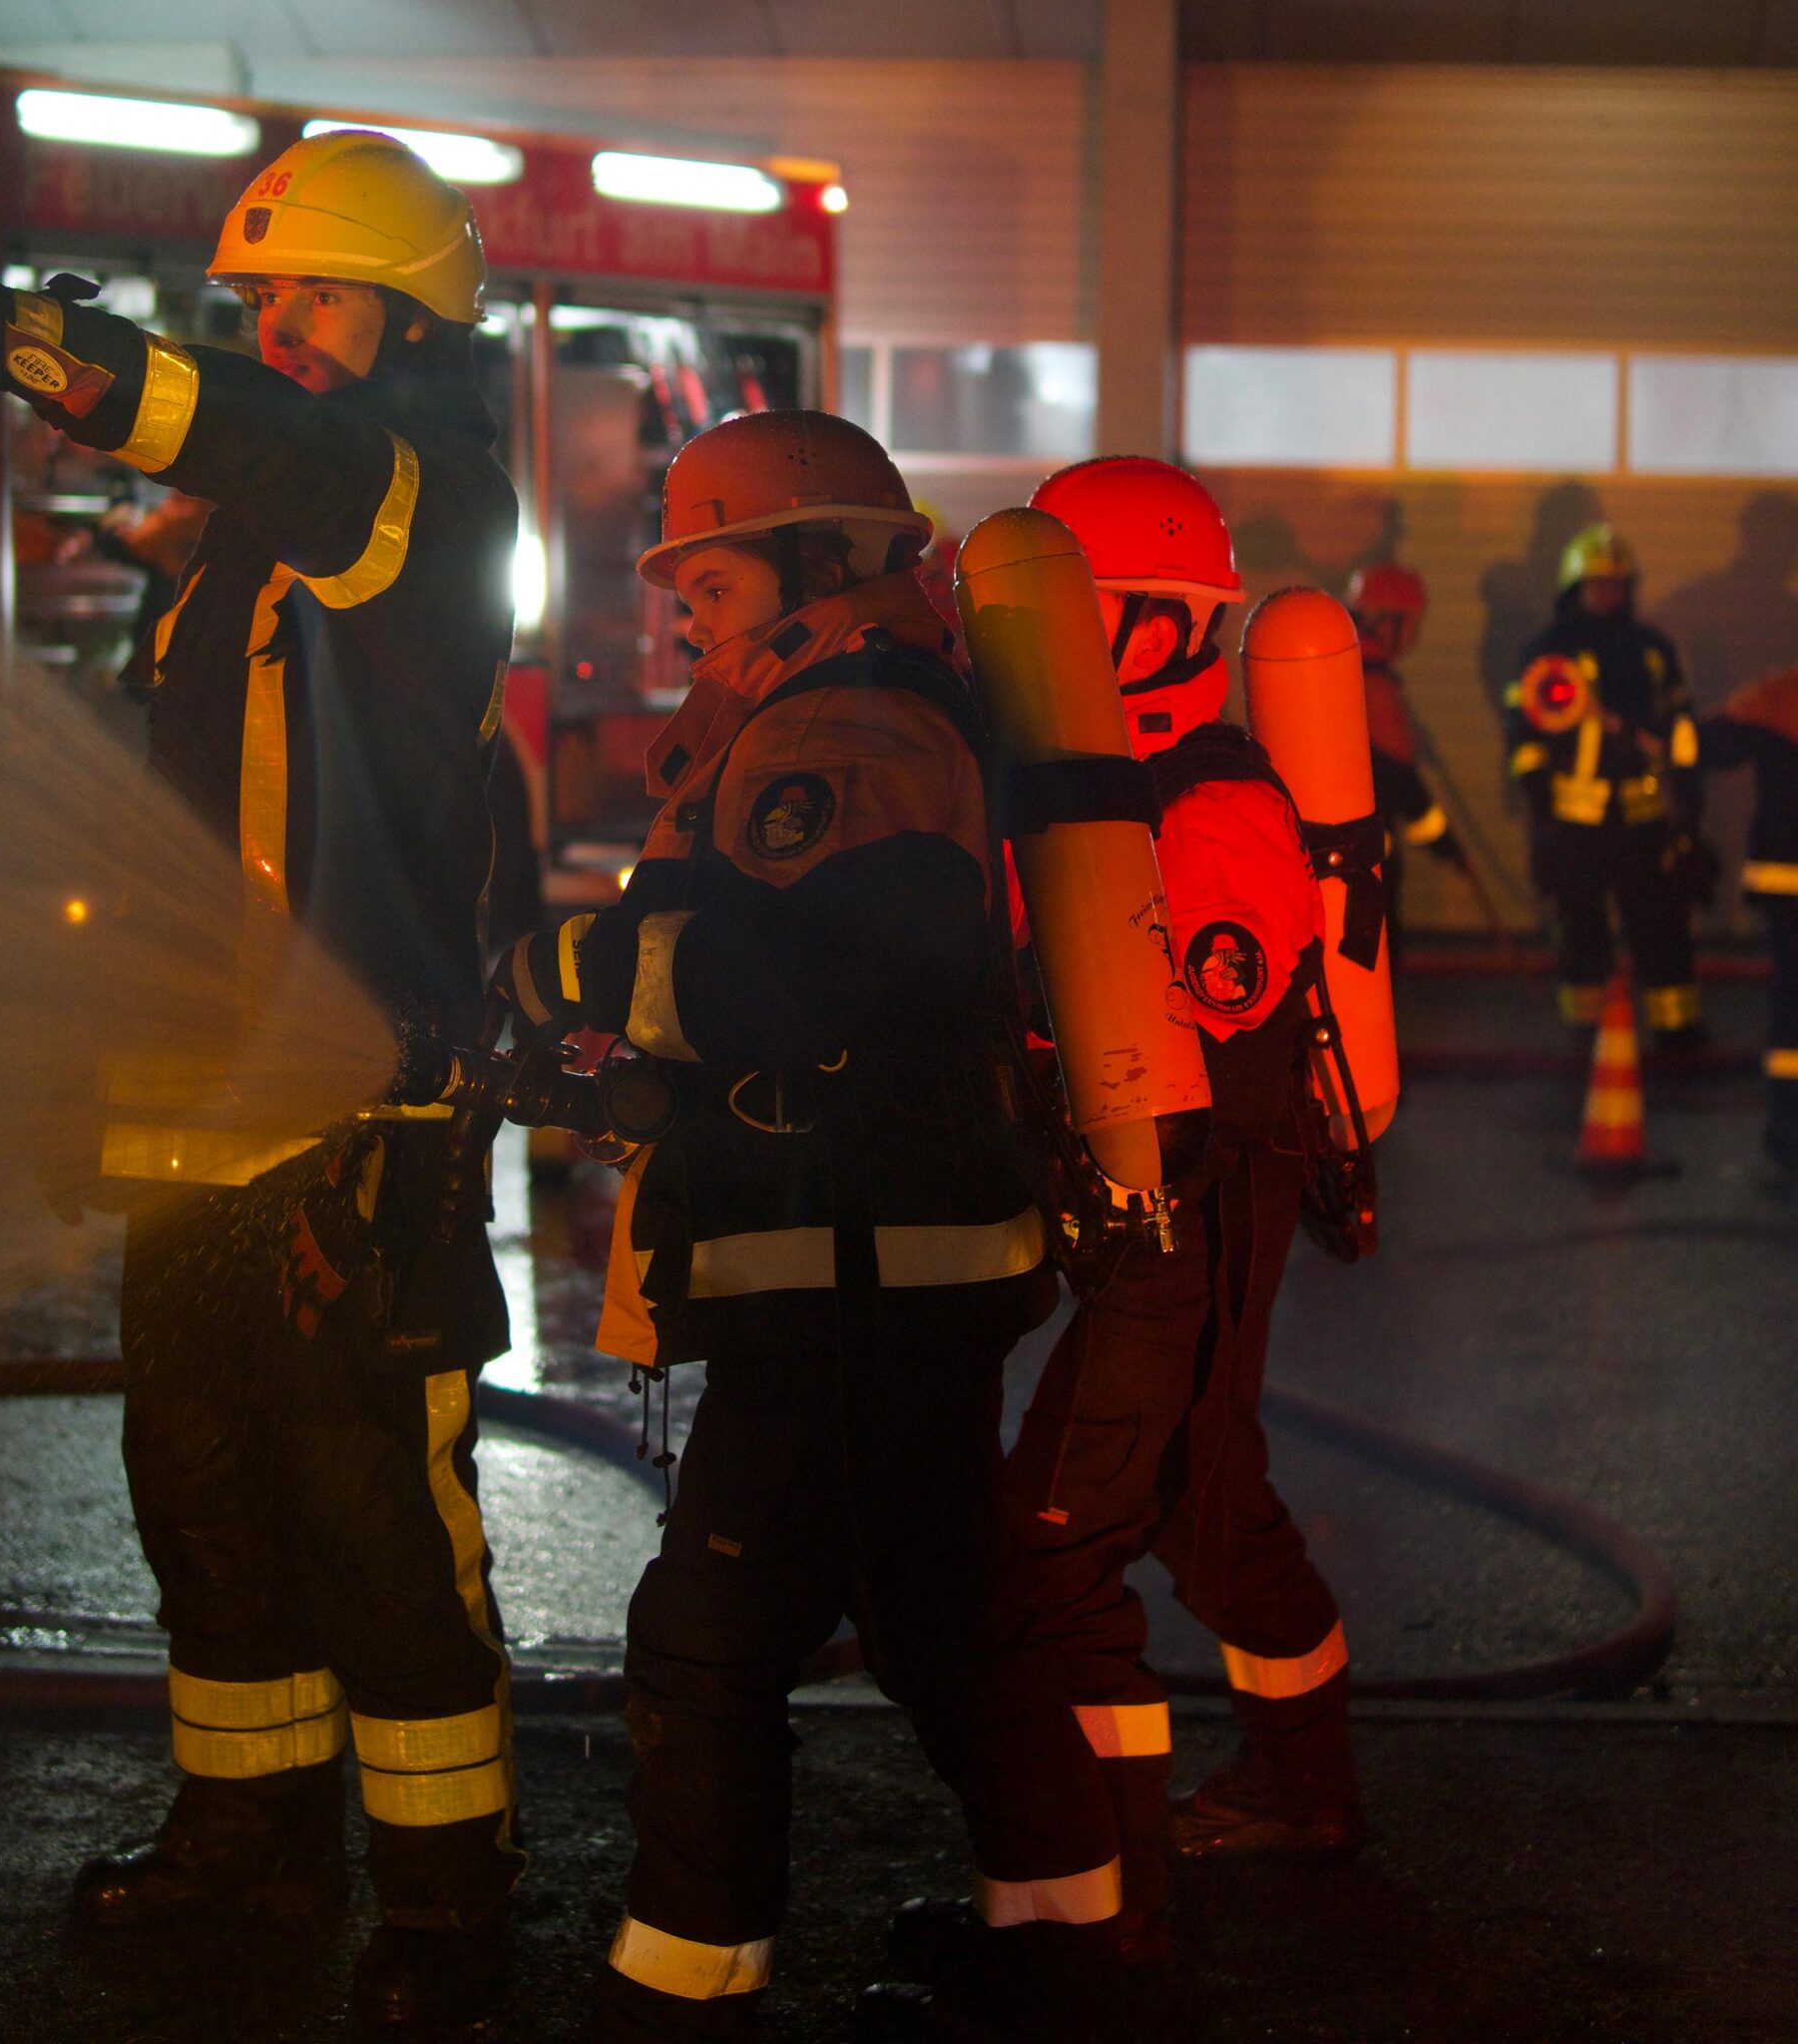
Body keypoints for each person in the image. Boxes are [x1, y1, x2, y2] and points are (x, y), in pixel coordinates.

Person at [0, 128, 524, 2033]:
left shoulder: (416, 495)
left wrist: (9, 338)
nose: (279, 326)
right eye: (262, 298)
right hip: (192, 1102)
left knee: (373, 1511)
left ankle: (451, 1893)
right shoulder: (233, 555)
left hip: (348, 1114)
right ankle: (249, 1842)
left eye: (315, 296)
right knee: (198, 1491)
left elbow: (255, 442)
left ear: (411, 318)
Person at [494, 411, 1127, 2042]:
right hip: (881, 1255)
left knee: (706, 1638)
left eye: (703, 573)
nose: (677, 610)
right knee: (939, 1617)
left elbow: (813, 969)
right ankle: (1064, 1941)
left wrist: (570, 977)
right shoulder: (826, 709)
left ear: (816, 561)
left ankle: (681, 1984)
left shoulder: (840, 722)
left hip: (844, 1267)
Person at [886, 457, 1362, 2018]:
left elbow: (1207, 1053)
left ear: (1157, 629)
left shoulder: (1207, 800)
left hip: (1191, 1218)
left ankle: (1114, 1893)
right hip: (1171, 1221)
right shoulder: (1086, 788)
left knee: (1050, 1541)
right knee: (1207, 1503)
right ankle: (1304, 1786)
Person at [1505, 524, 1709, 1044]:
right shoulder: (1549, 652)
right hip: (1576, 823)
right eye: (1597, 584)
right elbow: (1524, 734)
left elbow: (1681, 729)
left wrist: (1687, 806)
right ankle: (1586, 1033)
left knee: (1662, 926)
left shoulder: (1653, 650)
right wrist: (1540, 808)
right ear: (1574, 589)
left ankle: (1676, 1029)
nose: (1608, 594)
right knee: (1580, 930)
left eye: (1617, 584)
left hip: (1643, 818)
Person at [1701, 669, 1798, 1189]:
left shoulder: (1778, 698)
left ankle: (1789, 1133)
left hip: (1786, 890)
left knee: (1790, 1013)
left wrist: (1642, 730)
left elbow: (1707, 747)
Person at [1346, 559, 1469, 959]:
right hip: (1364, 861)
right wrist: (1443, 843)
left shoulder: (1346, 671)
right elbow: (1399, 779)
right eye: (1411, 622)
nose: (1415, 634)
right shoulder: (1373, 684)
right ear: (1385, 620)